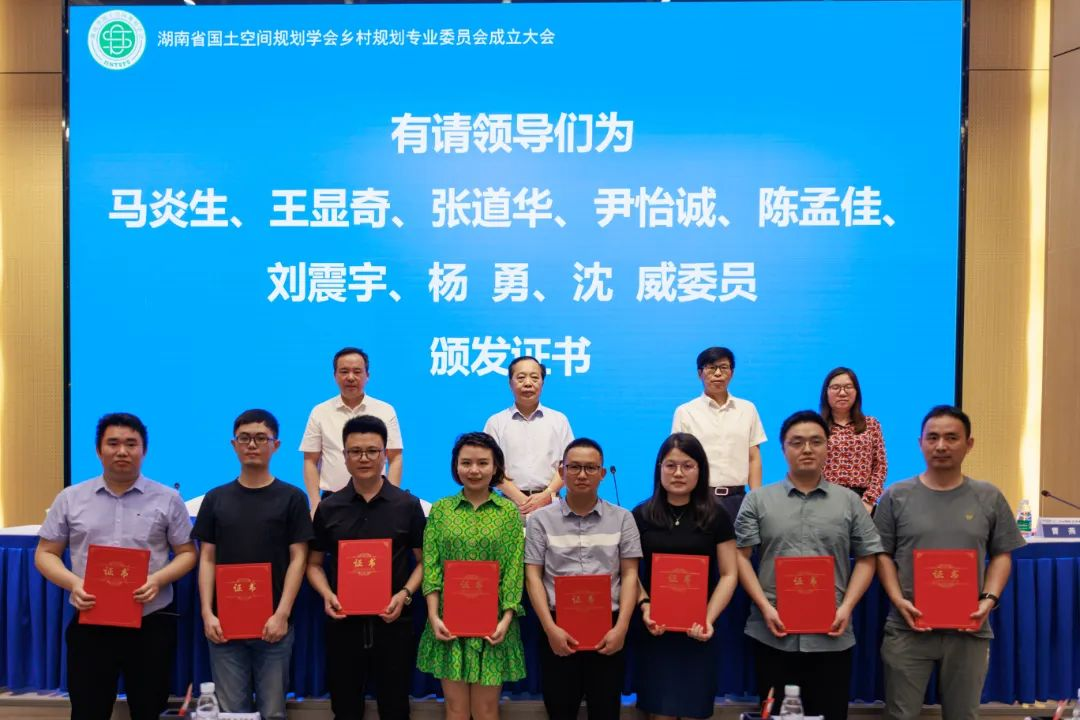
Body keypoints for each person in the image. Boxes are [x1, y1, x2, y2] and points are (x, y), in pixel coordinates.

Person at [35, 413, 196, 720]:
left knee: (148, 710)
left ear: (144, 450)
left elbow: (188, 553)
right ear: (99, 450)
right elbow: (45, 553)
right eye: (113, 443)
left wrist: (158, 579)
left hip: (150, 622)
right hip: (91, 623)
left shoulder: (168, 499)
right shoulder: (70, 498)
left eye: (131, 444)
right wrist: (74, 583)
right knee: (88, 711)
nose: (122, 451)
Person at [875, 405, 1025, 720]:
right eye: (933, 438)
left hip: (969, 629)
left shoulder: (989, 496)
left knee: (963, 715)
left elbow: (1002, 554)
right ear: (920, 443)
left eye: (951, 438)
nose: (941, 446)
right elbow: (882, 555)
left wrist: (988, 599)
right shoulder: (895, 495)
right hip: (908, 627)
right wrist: (898, 599)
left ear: (969, 444)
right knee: (900, 714)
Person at [734, 410, 883, 720]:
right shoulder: (758, 500)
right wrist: (765, 607)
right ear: (783, 448)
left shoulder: (849, 501)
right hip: (772, 632)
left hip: (831, 635)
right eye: (797, 442)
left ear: (828, 446)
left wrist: (846, 607)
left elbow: (868, 558)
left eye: (816, 441)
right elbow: (741, 557)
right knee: (775, 715)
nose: (807, 449)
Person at [194, 409, 314, 720]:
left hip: (274, 625)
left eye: (261, 438)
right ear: (233, 444)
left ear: (276, 445)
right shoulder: (215, 499)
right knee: (231, 714)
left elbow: (299, 558)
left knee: (273, 712)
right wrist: (207, 613)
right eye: (245, 438)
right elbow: (206, 558)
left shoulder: (292, 498)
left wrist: (282, 614)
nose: (252, 444)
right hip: (224, 626)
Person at [307, 415, 426, 720]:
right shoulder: (329, 508)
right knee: (345, 708)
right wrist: (327, 594)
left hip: (394, 623)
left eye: (372, 451)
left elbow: (425, 562)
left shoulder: (407, 505)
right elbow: (314, 564)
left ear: (385, 454)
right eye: (355, 451)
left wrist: (405, 594)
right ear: (344, 457)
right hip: (343, 625)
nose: (364, 458)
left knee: (395, 707)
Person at [525, 438, 642, 720]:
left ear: (602, 474)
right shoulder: (540, 520)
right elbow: (533, 576)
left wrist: (622, 628)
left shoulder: (623, 518)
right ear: (561, 472)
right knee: (560, 711)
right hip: (557, 628)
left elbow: (630, 574)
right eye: (574, 467)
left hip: (609, 630)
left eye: (590, 468)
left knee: (605, 712)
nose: (582, 474)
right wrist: (550, 629)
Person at [417, 432, 526, 720]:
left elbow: (514, 570)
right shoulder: (441, 510)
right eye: (466, 463)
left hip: (494, 624)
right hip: (448, 622)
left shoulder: (508, 513)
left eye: (482, 463)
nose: (474, 470)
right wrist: (433, 616)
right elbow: (432, 566)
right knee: (455, 709)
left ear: (496, 467)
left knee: (486, 710)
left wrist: (505, 619)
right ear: (456, 466)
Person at [633, 433, 739, 720]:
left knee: (694, 712)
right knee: (661, 714)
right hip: (656, 630)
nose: (678, 473)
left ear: (700, 469)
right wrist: (645, 606)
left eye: (687, 465)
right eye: (670, 465)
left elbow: (729, 573)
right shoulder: (641, 515)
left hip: (699, 631)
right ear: (659, 469)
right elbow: (629, 572)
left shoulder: (717, 516)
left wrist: (707, 618)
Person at [301, 347, 405, 511]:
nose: (350, 377)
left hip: (377, 500)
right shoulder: (320, 411)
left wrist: (391, 499)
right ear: (335, 376)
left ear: (367, 375)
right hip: (332, 502)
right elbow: (310, 460)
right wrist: (315, 504)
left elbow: (395, 457)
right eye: (344, 371)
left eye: (357, 372)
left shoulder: (385, 410)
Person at [672, 346, 766, 521]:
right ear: (699, 373)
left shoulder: (747, 409)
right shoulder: (685, 412)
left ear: (732, 373)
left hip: (738, 499)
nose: (717, 373)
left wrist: (756, 499)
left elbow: (753, 458)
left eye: (724, 367)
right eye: (711, 368)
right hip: (699, 499)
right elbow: (679, 459)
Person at [483, 356, 574, 515]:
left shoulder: (559, 420)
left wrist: (547, 494)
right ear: (510, 383)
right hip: (509, 505)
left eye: (534, 378)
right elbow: (489, 466)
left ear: (542, 383)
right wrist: (520, 499)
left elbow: (569, 464)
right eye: (521, 378)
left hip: (551, 504)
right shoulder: (495, 422)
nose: (527, 383)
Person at [819, 367, 888, 513]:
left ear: (857, 391)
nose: (842, 393)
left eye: (848, 387)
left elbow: (880, 465)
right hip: (823, 500)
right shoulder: (816, 426)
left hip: (862, 501)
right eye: (836, 387)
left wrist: (869, 501)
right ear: (826, 392)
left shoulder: (871, 424)